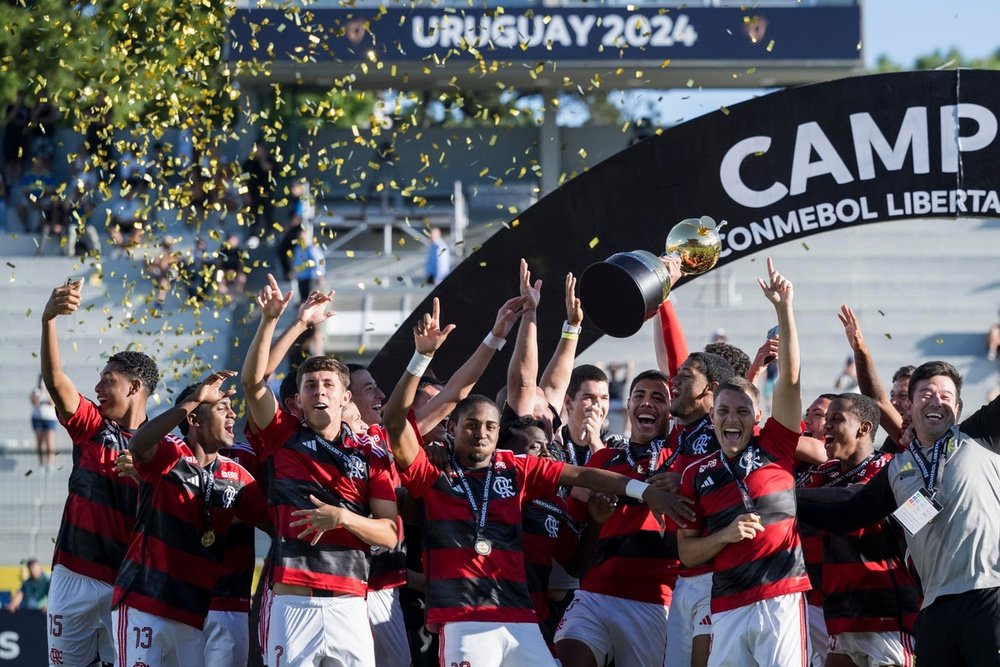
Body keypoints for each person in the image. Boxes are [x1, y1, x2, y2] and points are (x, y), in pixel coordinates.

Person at [382, 299, 693, 667]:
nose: (481, 434)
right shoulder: (430, 472)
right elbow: (395, 420)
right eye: (471, 425)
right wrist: (420, 360)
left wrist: (645, 491)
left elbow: (583, 475)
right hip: (464, 618)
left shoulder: (515, 468)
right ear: (451, 428)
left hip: (521, 619)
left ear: (499, 432)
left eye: (490, 427)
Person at [241, 275, 399, 667]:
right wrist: (284, 322)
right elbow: (252, 382)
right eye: (310, 384)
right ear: (299, 400)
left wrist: (342, 518)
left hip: (349, 604)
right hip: (292, 604)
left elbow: (391, 534)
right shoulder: (281, 436)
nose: (319, 390)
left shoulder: (373, 454)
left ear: (346, 397)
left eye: (328, 384)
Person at [798, 360, 1000, 665]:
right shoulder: (898, 469)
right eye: (926, 394)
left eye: (946, 396)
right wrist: (781, 498)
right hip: (934, 609)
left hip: (989, 595)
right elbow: (845, 516)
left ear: (957, 408)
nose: (936, 401)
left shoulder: (978, 436)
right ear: (911, 407)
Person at [677, 258, 812, 667]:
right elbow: (688, 555)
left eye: (741, 411)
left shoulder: (776, 444)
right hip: (728, 603)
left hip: (781, 596)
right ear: (712, 415)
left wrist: (784, 309)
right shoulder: (695, 474)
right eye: (723, 411)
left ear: (756, 417)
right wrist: (725, 536)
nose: (731, 418)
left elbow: (789, 380)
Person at [40, 277, 159, 667]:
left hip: (126, 584)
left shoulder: (164, 447)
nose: (98, 387)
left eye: (108, 381)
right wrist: (49, 321)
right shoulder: (93, 426)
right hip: (72, 576)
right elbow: (57, 385)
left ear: (135, 387)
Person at [113, 373, 268, 667]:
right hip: (146, 602)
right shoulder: (170, 453)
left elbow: (276, 525)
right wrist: (194, 399)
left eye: (231, 406)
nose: (233, 413)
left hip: (192, 614)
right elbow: (138, 445)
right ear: (194, 420)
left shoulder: (238, 477)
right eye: (222, 407)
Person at [553, 370, 694, 667]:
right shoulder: (603, 460)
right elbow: (571, 547)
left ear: (670, 410)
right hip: (595, 593)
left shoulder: (683, 458)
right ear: (627, 406)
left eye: (658, 398)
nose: (647, 403)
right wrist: (594, 518)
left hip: (655, 600)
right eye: (639, 396)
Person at [801, 393, 919, 667]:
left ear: (864, 428)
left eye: (837, 419)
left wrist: (783, 497)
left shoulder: (890, 469)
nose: (826, 426)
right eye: (826, 419)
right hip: (841, 613)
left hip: (886, 612)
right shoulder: (822, 474)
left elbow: (849, 500)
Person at [30, 377, 57, 470]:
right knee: (39, 442)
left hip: (49, 418)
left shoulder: (52, 390)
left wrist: (47, 392)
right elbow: (34, 402)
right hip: (38, 418)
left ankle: (49, 463)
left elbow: (53, 402)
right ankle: (41, 463)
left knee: (49, 441)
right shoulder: (36, 391)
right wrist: (40, 393)